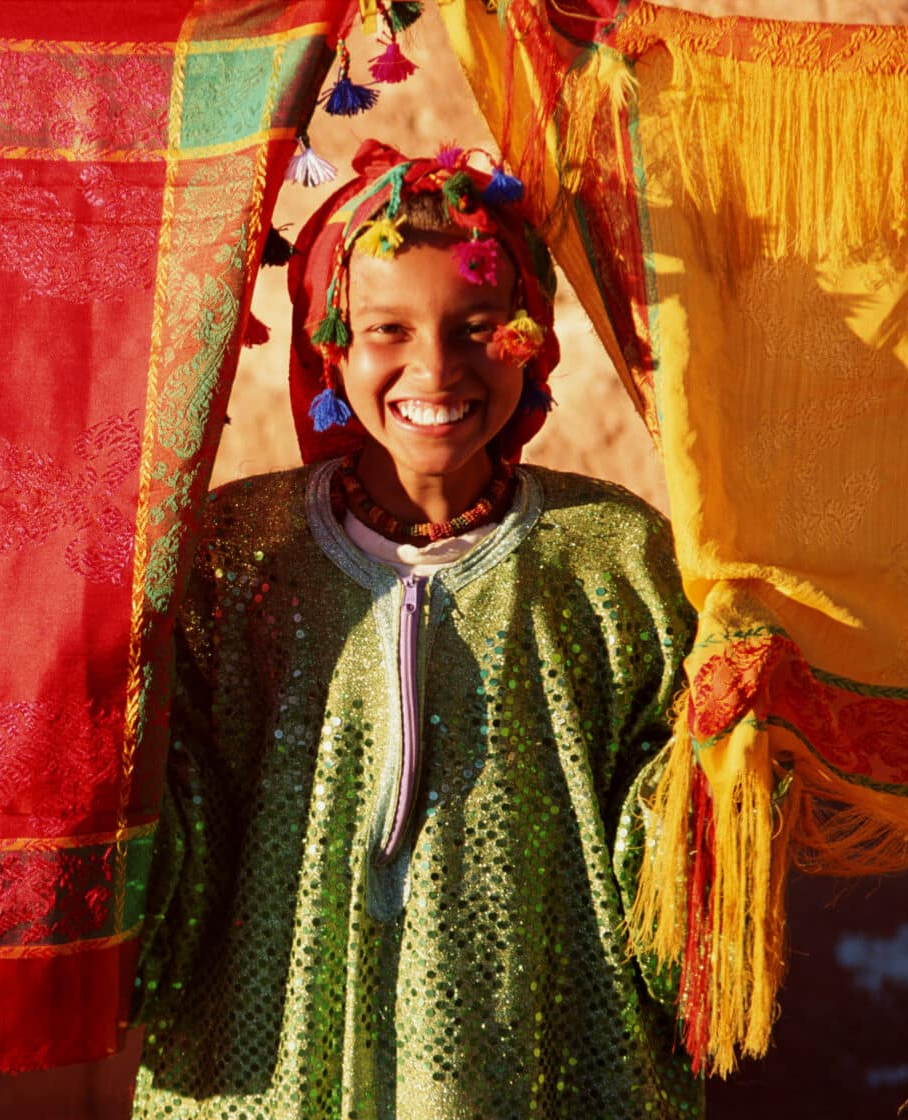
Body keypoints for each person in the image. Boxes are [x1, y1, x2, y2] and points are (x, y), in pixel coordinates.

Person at [127, 139, 703, 1119]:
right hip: (268, 1076)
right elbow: (172, 858)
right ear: (330, 346)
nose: (434, 366)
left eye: (477, 325)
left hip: (540, 1070)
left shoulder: (619, 563)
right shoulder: (233, 557)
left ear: (531, 339)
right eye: (387, 328)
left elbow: (667, 888)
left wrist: (724, 764)